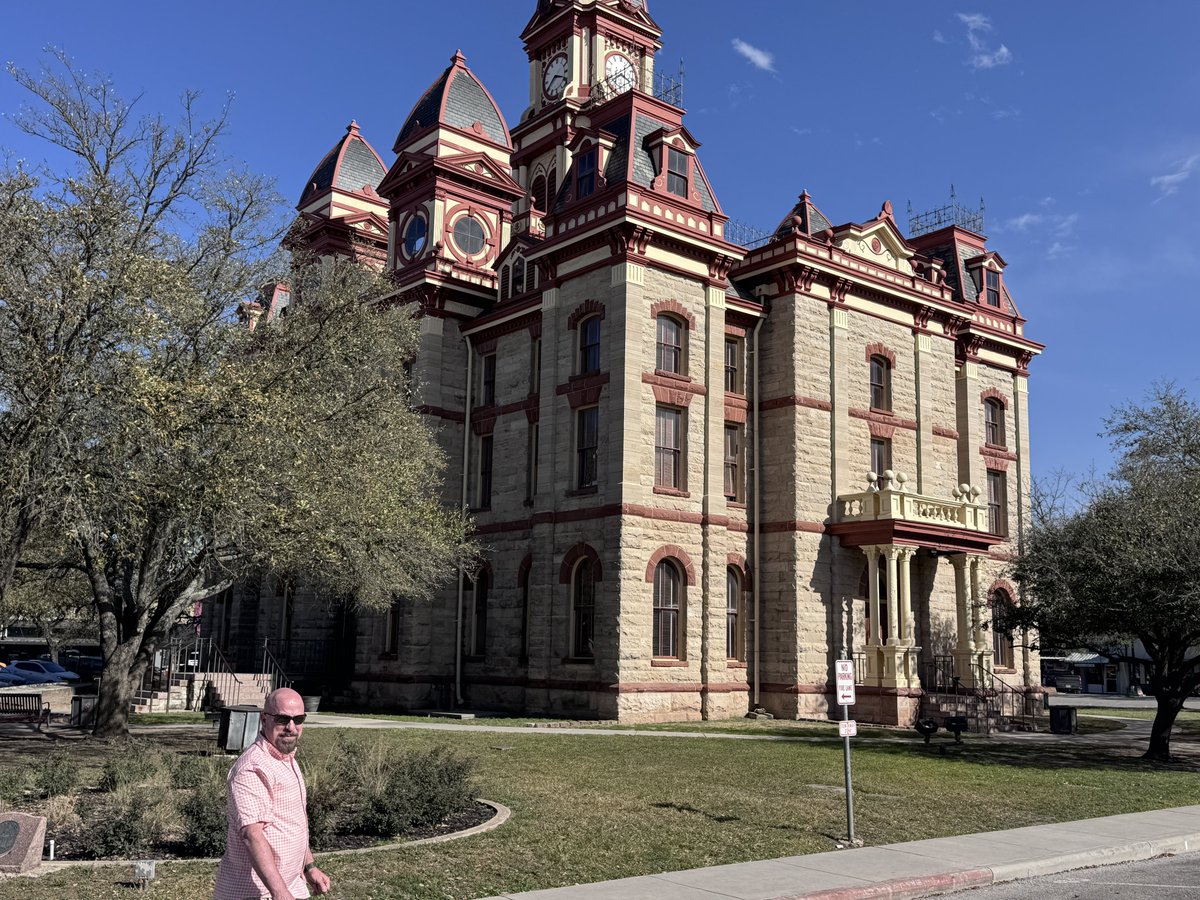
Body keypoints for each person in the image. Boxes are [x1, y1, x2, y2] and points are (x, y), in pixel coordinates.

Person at [213, 687, 331, 899]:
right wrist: (280, 892)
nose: (291, 727)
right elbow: (252, 835)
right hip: (256, 893)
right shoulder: (253, 768)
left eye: (298, 719)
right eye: (282, 719)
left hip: (291, 885)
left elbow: (293, 824)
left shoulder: (286, 759)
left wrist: (309, 866)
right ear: (264, 719)